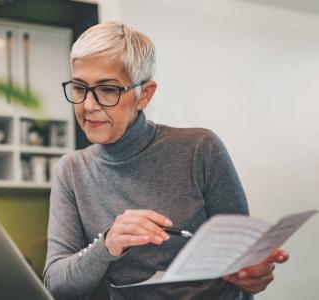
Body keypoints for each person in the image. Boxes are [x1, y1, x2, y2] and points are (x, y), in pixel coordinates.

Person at [42, 22, 289, 300]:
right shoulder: (71, 171)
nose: (88, 105)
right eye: (79, 88)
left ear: (144, 95)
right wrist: (107, 244)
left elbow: (244, 258)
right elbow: (57, 284)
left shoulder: (200, 149)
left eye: (108, 90)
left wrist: (252, 272)